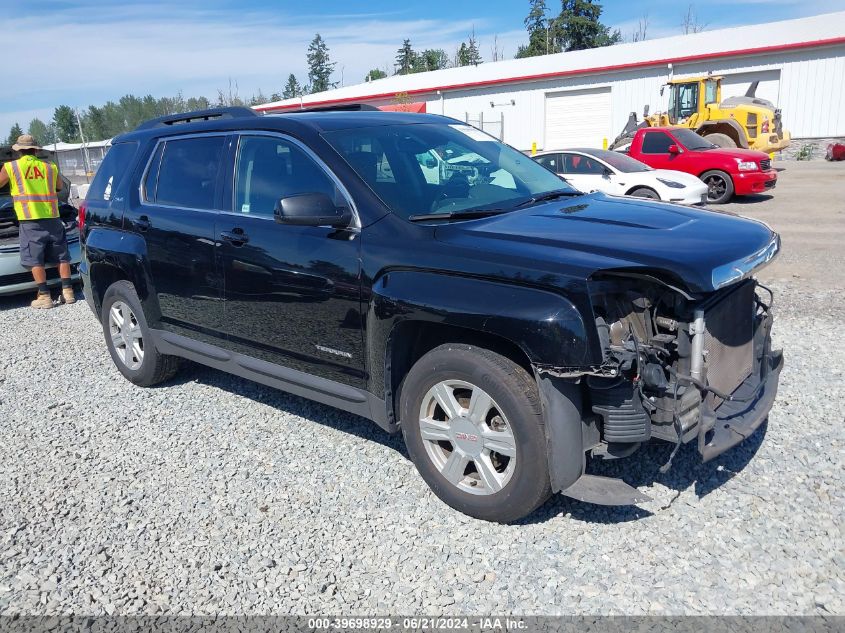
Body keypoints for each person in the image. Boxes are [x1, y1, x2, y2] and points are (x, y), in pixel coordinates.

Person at [0, 134, 75, 309]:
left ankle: (44, 296)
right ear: (36, 149)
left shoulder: (12, 166)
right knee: (61, 256)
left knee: (34, 259)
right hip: (53, 217)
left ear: (19, 151)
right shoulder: (50, 166)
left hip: (30, 220)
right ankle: (68, 291)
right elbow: (58, 187)